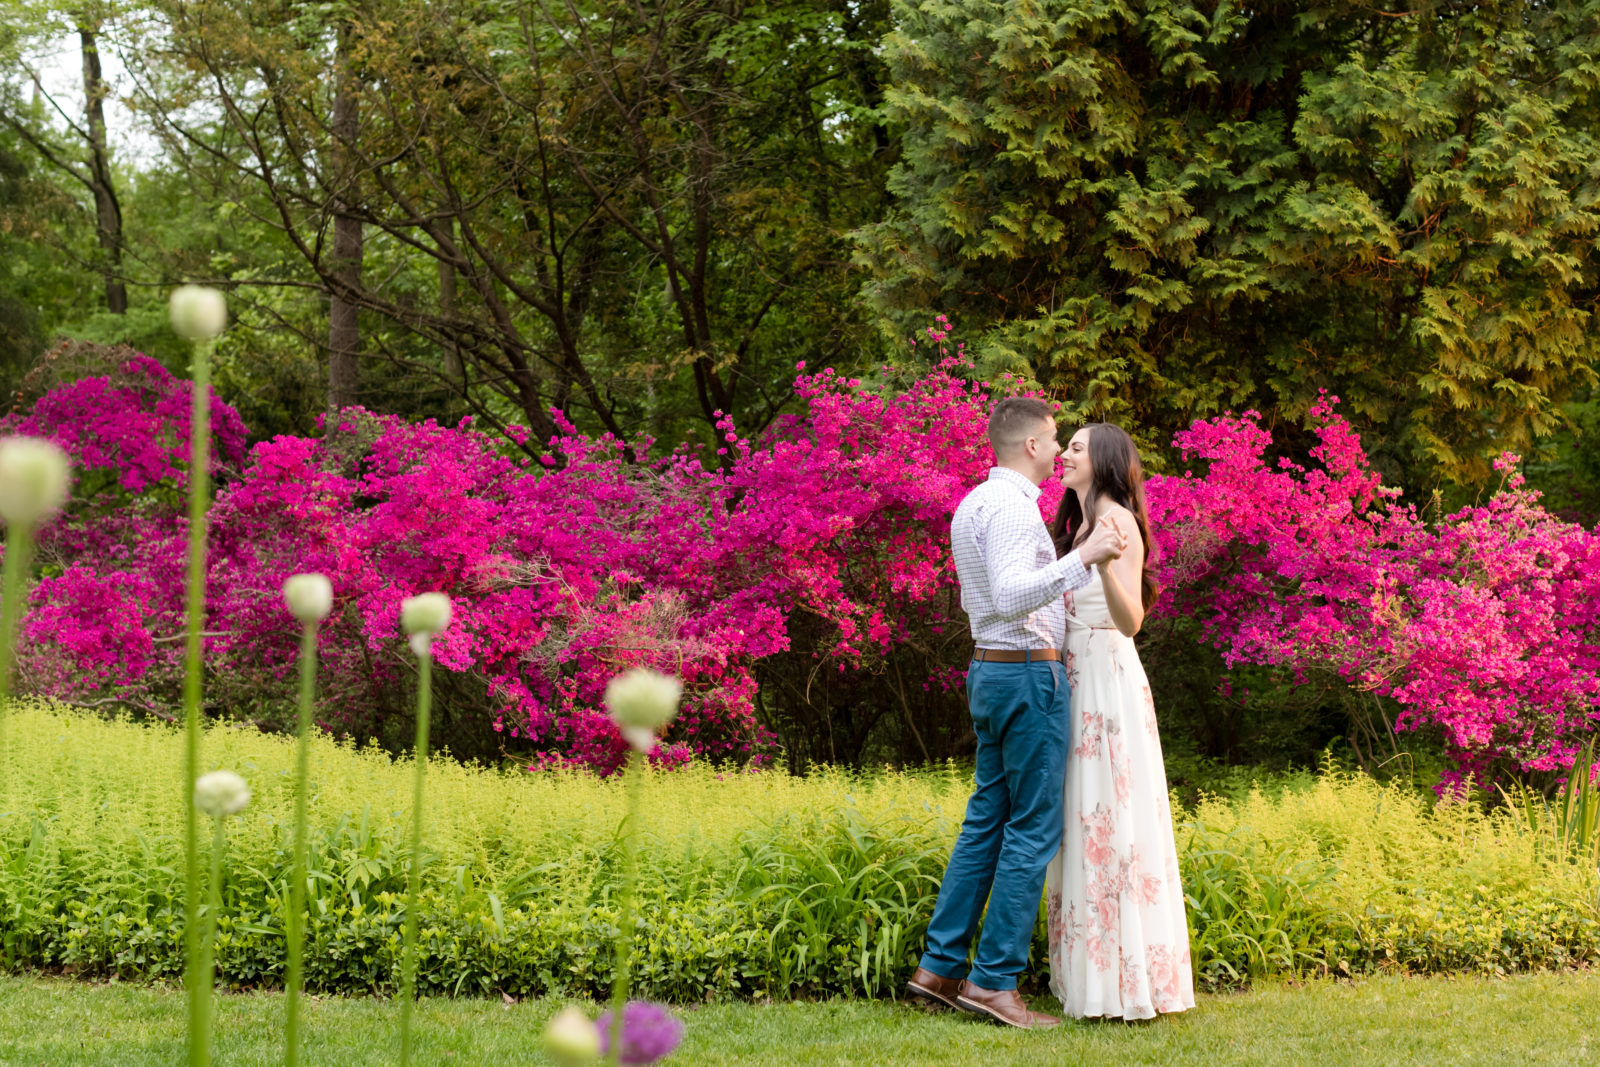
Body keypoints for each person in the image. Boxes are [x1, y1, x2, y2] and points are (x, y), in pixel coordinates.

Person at [907, 397, 1127, 1030]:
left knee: (986, 820)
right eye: (1056, 439)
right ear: (1031, 445)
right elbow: (1006, 596)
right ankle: (993, 983)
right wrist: (1081, 560)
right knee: (1032, 828)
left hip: (992, 672)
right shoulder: (1007, 509)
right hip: (1027, 672)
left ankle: (939, 967)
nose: (1061, 451)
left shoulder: (974, 502)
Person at [1043, 422, 1194, 1020]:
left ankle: (1124, 981)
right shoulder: (1077, 525)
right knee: (1083, 815)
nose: (1066, 456)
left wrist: (1102, 566)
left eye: (1076, 447)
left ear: (1104, 460)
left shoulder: (1116, 523)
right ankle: (1088, 978)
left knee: (1110, 816)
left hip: (1107, 675)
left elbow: (1131, 620)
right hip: (1075, 674)